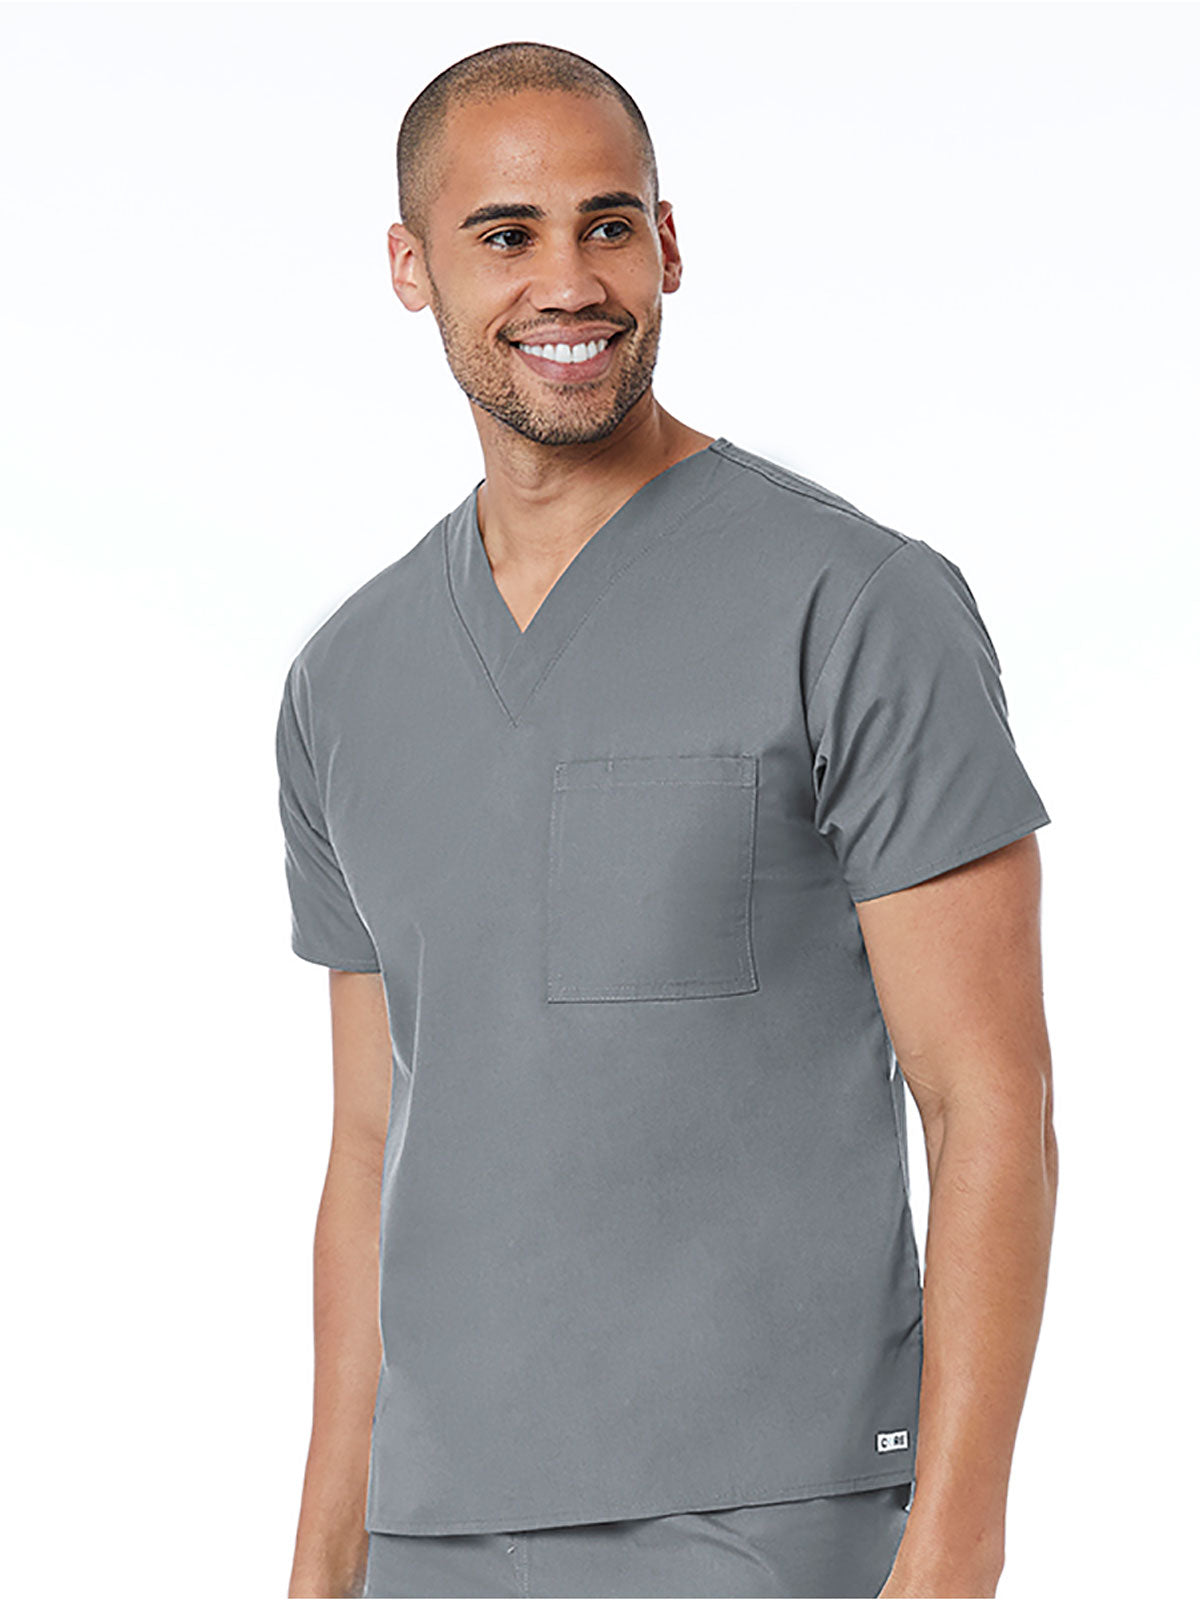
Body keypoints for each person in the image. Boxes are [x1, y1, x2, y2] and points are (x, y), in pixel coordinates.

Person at [276, 39, 1057, 1600]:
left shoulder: (858, 606)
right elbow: (369, 1151)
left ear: (671, 244)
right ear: (411, 268)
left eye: (609, 224)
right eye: (507, 234)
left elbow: (990, 1104)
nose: (570, 281)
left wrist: (954, 1553)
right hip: (432, 1534)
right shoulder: (346, 682)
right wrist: (325, 1559)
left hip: (771, 1522)